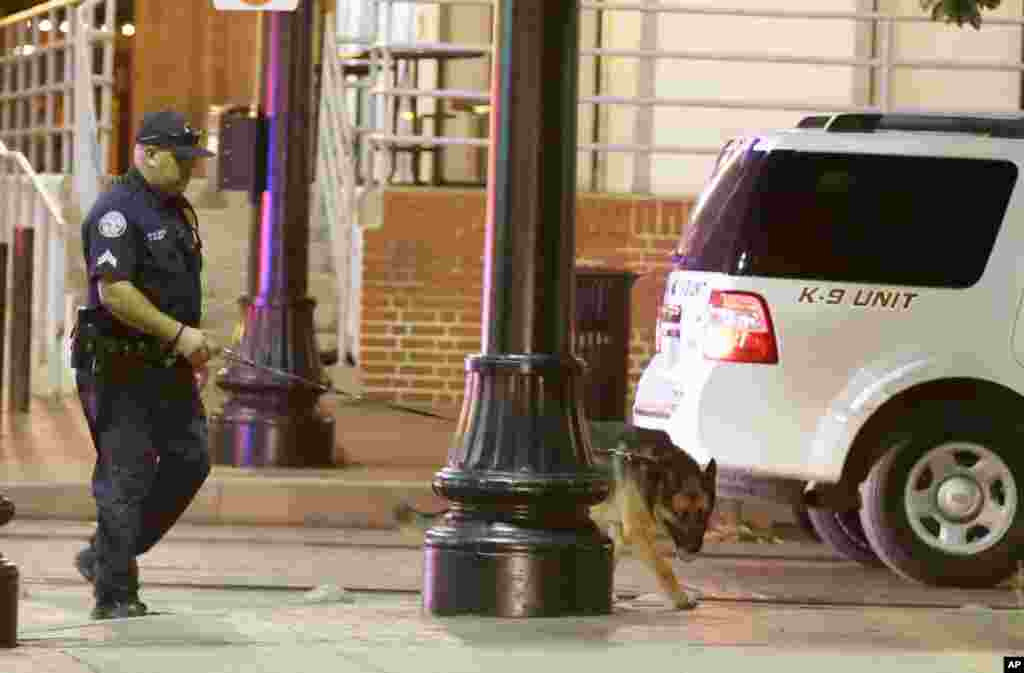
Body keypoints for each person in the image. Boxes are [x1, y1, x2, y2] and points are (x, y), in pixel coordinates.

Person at [72, 109, 219, 620]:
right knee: (127, 473)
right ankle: (114, 594)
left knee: (190, 460)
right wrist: (179, 334)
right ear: (146, 154)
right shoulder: (117, 212)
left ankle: (105, 556)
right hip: (118, 364)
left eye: (190, 161)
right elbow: (114, 292)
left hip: (165, 364)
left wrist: (184, 346)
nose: (188, 172)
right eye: (179, 161)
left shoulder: (173, 208)